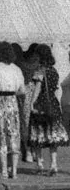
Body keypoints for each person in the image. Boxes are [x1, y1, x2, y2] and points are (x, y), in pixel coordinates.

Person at [0, 42, 25, 179]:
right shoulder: (17, 69)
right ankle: (14, 171)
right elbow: (22, 90)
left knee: (0, 136)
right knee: (13, 136)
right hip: (12, 104)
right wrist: (11, 92)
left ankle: (4, 172)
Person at [26, 44, 68, 175]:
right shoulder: (54, 71)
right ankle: (54, 164)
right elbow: (55, 88)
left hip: (40, 105)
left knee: (37, 134)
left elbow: (37, 89)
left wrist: (31, 103)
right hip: (53, 104)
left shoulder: (40, 71)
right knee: (52, 135)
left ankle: (40, 164)